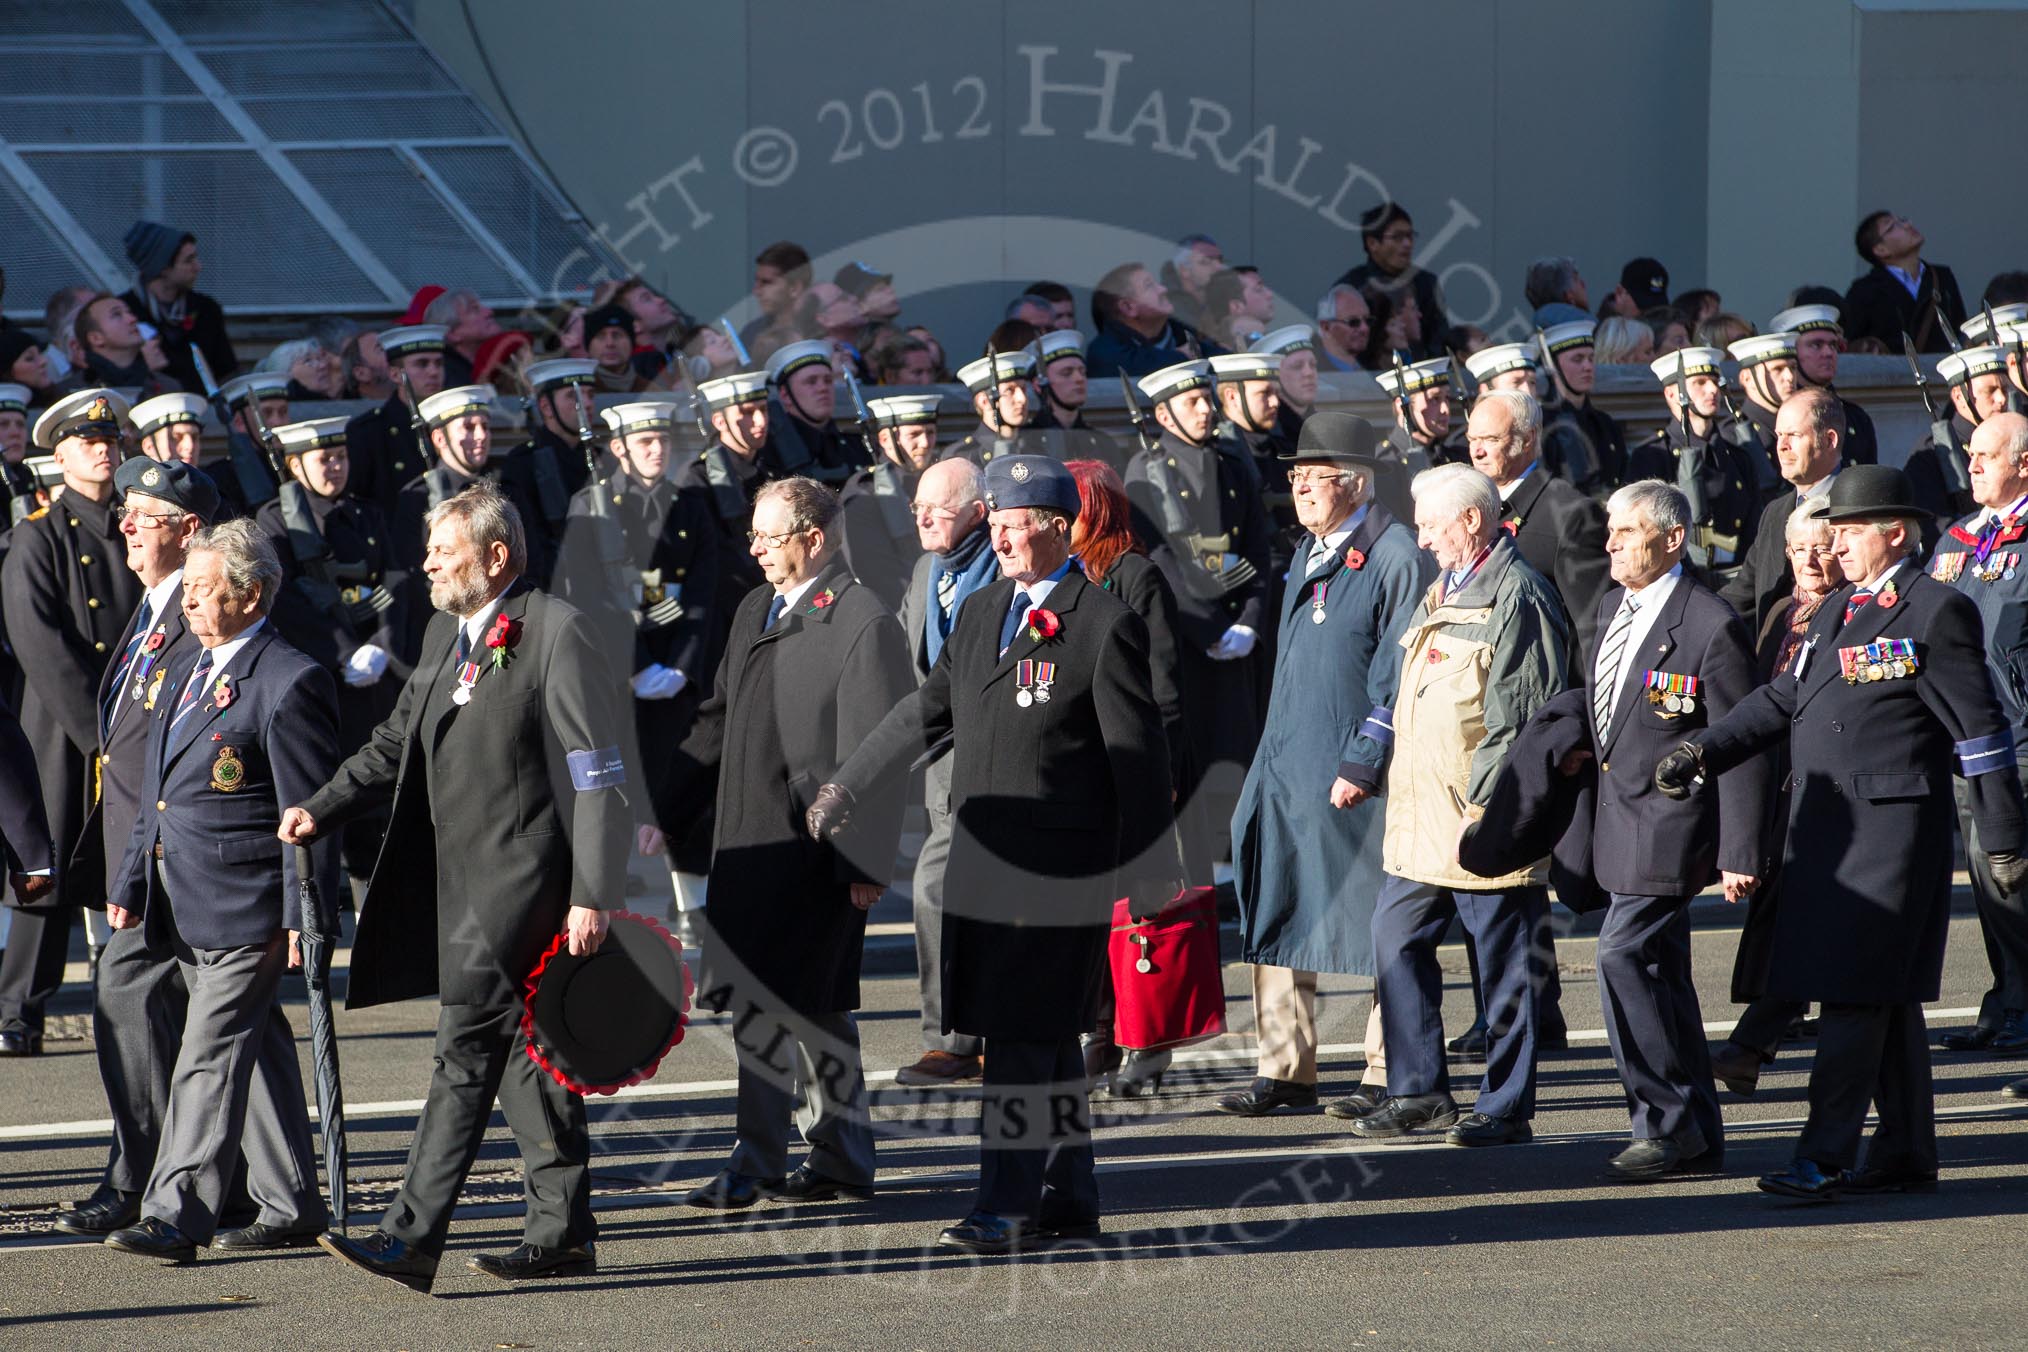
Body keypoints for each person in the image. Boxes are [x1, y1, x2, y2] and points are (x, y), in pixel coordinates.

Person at [807, 454, 1177, 1255]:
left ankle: (1003, 1209)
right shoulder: (980, 614)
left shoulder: (1104, 622)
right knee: (1043, 1043)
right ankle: (1069, 1197)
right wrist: (850, 786)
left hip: (1058, 879)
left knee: (1017, 1044)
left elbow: (1139, 761)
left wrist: (1150, 875)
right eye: (997, 527)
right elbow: (923, 714)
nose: (1002, 542)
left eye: (1015, 529)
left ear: (1055, 531)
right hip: (984, 866)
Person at [286, 483, 632, 1290]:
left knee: (463, 1053)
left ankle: (408, 1237)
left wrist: (594, 891)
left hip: (526, 883)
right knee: (527, 1057)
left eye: (444, 552)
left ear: (496, 557)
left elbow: (597, 776)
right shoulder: (446, 631)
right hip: (460, 885)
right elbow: (394, 741)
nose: (427, 564)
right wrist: (320, 808)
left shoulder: (556, 630)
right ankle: (564, 1231)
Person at [1657, 466, 2028, 1199]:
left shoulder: (1935, 609)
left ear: (1895, 532)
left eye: (1851, 529)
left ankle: (1822, 1155)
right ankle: (1903, 1153)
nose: (1837, 541)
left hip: (1890, 835)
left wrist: (2004, 836)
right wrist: (1705, 748)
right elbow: (1782, 698)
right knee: (1881, 1001)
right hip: (1829, 835)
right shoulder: (1836, 611)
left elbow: (1980, 729)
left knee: (1853, 999)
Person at [96, 521, 335, 1262]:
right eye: (189, 590)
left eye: (202, 591)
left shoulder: (288, 680)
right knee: (254, 1046)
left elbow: (312, 814)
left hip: (248, 903)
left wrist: (307, 917)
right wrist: (132, 879)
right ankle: (292, 1199)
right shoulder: (188, 667)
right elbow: (156, 795)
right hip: (180, 893)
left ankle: (176, 1211)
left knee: (206, 1053)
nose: (189, 603)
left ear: (251, 594)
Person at [670, 477, 910, 1211]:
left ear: (814, 539)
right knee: (787, 1004)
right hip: (749, 840)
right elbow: (718, 717)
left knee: (790, 1002)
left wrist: (864, 863)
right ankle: (836, 1154)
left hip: (814, 850)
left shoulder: (863, 619)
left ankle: (761, 1158)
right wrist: (666, 802)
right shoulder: (755, 608)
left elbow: (879, 749)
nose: (755, 550)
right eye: (754, 537)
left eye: (768, 539)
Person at [1342, 464, 1569, 1147]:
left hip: (1480, 821)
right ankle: (1419, 1092)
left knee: (1503, 968)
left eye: (1433, 524)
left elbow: (1522, 719)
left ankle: (1505, 1106)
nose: (1424, 538)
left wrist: (1488, 812)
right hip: (1421, 822)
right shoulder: (1447, 586)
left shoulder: (1517, 595)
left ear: (1472, 521)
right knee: (1395, 939)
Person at [1223, 413, 1431, 1120]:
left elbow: (1396, 673)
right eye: (1296, 477)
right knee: (1279, 906)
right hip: (1287, 764)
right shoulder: (1309, 551)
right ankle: (1285, 1069)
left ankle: (1383, 1067)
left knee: (1371, 922)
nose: (1299, 489)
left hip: (1354, 778)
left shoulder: (1396, 554)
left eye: (1312, 478)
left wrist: (1363, 762)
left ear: (1356, 482)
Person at [48, 457, 229, 1238]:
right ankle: (268, 1189)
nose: (125, 524)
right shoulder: (153, 607)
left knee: (130, 1001)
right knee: (218, 1022)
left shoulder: (195, 614)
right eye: (126, 510)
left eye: (145, 515)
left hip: (167, 860)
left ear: (190, 532)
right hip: (137, 851)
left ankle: (142, 1177)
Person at [1576, 481, 1766, 1180]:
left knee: (1619, 957)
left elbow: (1742, 739)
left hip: (1673, 827)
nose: (1611, 545)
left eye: (1626, 532)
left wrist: (1739, 851)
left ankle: (1662, 1117)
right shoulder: (1610, 609)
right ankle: (1699, 1134)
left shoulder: (1709, 624)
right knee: (1661, 975)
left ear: (1673, 538)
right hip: (1615, 822)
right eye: (1611, 531)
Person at [0, 391, 142, 1056]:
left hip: (134, 720)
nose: (103, 451)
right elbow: (40, 646)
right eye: (88, 443)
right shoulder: (37, 536)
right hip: (64, 729)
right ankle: (17, 1011)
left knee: (131, 863)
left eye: (110, 440)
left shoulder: (140, 526)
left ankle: (138, 997)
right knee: (46, 870)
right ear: (58, 456)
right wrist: (100, 730)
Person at [1708, 502, 1846, 1097]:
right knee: (1789, 914)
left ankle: (1754, 1039)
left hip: (1827, 788)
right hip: (1778, 782)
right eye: (1798, 550)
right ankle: (1761, 1033)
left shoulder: (1850, 612)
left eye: (1822, 547)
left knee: (1801, 916)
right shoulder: (1781, 613)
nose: (1811, 560)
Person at [1064, 457, 1189, 1097]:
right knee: (1091, 912)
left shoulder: (1136, 575)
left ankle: (1151, 1039)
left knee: (1144, 907)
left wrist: (1158, 770)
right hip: (1079, 771)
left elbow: (1164, 685)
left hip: (1133, 762)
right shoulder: (1060, 578)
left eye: (1069, 503)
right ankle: (1100, 1034)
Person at [1123, 359, 1271, 885]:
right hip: (1188, 637)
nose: (1206, 409)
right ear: (1162, 414)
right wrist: (1209, 630)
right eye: (1192, 402)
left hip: (1236, 631)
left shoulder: (1231, 463)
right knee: (1199, 755)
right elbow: (1161, 561)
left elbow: (1254, 546)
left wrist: (1250, 621)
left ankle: (1242, 863)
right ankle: (1208, 869)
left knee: (1240, 745)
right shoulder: (1146, 469)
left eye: (1208, 399)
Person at [254, 416, 406, 880]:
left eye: (340, 457)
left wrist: (383, 643)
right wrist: (342, 651)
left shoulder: (366, 514)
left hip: (375, 678)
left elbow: (396, 579)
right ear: (295, 465)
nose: (335, 467)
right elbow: (287, 601)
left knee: (380, 803)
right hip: (324, 678)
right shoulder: (275, 522)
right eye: (324, 459)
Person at [1922, 413, 2028, 1058]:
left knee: (2016, 878)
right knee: (1988, 883)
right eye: (1970, 451)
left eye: (1986, 453)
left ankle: (2019, 1003)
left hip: (2019, 738)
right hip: (1966, 740)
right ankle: (2007, 998)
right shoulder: (1959, 537)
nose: (1973, 462)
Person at [891, 458, 999, 1089]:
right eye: (918, 508)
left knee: (950, 891)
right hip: (941, 764)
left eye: (942, 507)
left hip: (995, 756)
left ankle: (966, 1038)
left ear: (980, 514)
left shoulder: (1005, 572)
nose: (926, 517)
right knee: (940, 893)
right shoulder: (925, 571)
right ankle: (953, 1039)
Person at [1471, 389, 1613, 657]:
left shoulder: (1572, 514)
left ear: (1527, 440)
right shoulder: (1474, 507)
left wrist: (1577, 699)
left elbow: (1594, 632)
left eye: (1490, 439)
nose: (1477, 452)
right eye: (1472, 439)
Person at [392, 384, 555, 586]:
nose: (481, 435)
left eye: (485, 426)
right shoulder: (417, 497)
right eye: (468, 427)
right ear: (439, 438)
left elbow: (529, 562)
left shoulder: (506, 491)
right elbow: (412, 574)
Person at [1720, 388, 1847, 637]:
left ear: (1830, 440)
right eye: (1779, 435)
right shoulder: (1776, 512)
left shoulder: (1859, 508)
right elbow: (1742, 596)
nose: (1782, 447)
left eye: (1794, 435)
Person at [1628, 348, 1762, 581]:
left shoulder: (1737, 456)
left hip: (1740, 579)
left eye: (1714, 381)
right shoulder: (1654, 456)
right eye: (1699, 382)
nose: (1712, 390)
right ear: (1671, 394)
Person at [840, 393, 942, 613]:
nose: (925, 443)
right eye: (914, 434)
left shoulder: (941, 479)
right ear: (885, 439)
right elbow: (879, 578)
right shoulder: (864, 496)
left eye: (930, 433)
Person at [119, 222, 235, 394]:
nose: (197, 267)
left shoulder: (206, 309)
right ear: (163, 268)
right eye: (188, 260)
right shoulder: (126, 312)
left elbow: (227, 371)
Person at [345, 324, 445, 520]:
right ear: (394, 374)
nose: (434, 372)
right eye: (422, 364)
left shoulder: (451, 424)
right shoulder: (369, 432)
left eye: (439, 363)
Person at [1905, 345, 2008, 522]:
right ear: (1959, 397)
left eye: (2004, 390)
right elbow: (1932, 525)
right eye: (1990, 391)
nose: (2002, 399)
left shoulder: (2016, 439)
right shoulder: (1934, 452)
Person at [1334, 202, 1448, 360]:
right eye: (1398, 237)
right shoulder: (1350, 289)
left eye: (1410, 236)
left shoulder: (1426, 283)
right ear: (1372, 243)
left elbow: (1439, 342)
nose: (1407, 244)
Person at [1843, 211, 1966, 353]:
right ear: (1881, 250)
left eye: (1902, 220)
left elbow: (1960, 328)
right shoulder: (1864, 290)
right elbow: (1852, 344)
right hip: (1892, 374)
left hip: (1943, 371)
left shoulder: (1941, 276)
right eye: (1892, 227)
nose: (1907, 225)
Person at [1771, 303, 1878, 466]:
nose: (1828, 353)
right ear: (1793, 353)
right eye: (1816, 345)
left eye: (1833, 345)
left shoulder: (1856, 417)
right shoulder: (1779, 418)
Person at [1371, 356, 1466, 523]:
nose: (1445, 409)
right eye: (1434, 399)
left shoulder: (1454, 455)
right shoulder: (1386, 463)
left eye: (1447, 398)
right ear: (1403, 406)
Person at [1539, 319, 1627, 495]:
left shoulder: (1605, 423)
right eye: (1577, 359)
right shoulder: (1542, 425)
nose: (1587, 366)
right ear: (1553, 366)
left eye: (1591, 358)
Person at [764, 340, 867, 488]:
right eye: (811, 382)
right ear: (785, 395)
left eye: (828, 380)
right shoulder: (773, 452)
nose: (823, 388)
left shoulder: (855, 443)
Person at [1086, 261, 1212, 378]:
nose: (1163, 289)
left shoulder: (1182, 333)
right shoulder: (1104, 353)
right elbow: (1131, 367)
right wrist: (1182, 357)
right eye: (1149, 286)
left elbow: (1219, 360)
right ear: (1128, 307)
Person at [1025, 330, 1124, 471]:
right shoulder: (1027, 441)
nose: (1079, 379)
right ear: (1038, 385)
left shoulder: (1102, 442)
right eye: (1066, 373)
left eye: (1082, 372)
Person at [1724, 332, 1799, 494]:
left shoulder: (1803, 423)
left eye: (1793, 367)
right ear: (1747, 379)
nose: (1790, 376)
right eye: (1777, 369)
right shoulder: (1731, 434)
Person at [523, 357, 602, 499]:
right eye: (573, 395)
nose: (588, 403)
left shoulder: (601, 458)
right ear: (546, 407)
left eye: (590, 395)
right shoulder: (524, 463)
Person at [946, 350, 1039, 468]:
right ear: (984, 401)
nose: (1022, 399)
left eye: (1023, 389)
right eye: (1009, 390)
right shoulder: (963, 457)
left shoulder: (1036, 449)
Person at [75, 293, 180, 396]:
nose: (132, 319)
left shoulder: (167, 386)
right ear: (96, 338)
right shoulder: (76, 396)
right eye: (116, 314)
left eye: (129, 312)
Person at [743, 241, 813, 350]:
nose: (756, 291)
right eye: (757, 281)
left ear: (794, 288)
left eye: (767, 282)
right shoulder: (751, 334)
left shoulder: (822, 329)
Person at [1158, 233, 1225, 334]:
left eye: (1220, 261)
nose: (1219, 268)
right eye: (1206, 261)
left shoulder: (1226, 302)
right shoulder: (1169, 312)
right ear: (1184, 270)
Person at [1314, 285, 1374, 373]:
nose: (1365, 329)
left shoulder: (1371, 370)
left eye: (1368, 321)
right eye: (1353, 322)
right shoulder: (1309, 375)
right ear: (1325, 327)